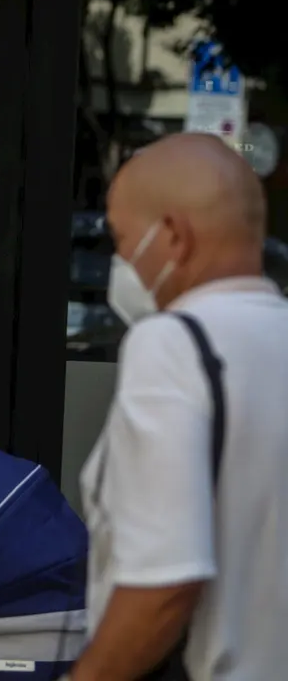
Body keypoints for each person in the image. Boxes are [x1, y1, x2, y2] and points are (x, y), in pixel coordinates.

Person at [64, 133, 288, 681]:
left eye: (121, 239)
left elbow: (165, 585)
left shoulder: (173, 345)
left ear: (174, 237)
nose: (118, 262)